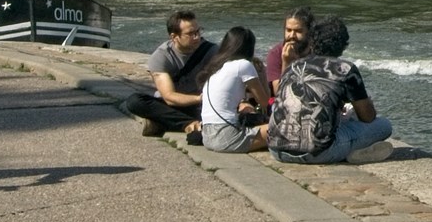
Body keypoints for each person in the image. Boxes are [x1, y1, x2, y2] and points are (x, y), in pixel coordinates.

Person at [267, 16, 393, 165]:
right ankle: (350, 153)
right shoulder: (345, 69)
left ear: (311, 42)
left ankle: (349, 151)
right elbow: (367, 117)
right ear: (343, 45)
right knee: (384, 126)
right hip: (318, 153)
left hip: (277, 150)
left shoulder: (293, 66)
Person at [125, 9, 222, 137]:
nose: (197, 37)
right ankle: (189, 124)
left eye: (198, 31)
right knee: (134, 101)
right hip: (175, 105)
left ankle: (161, 123)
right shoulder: (161, 56)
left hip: (202, 105)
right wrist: (200, 98)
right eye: (190, 34)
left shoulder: (212, 51)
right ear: (174, 37)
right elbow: (169, 97)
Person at [195, 25, 273, 153]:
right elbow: (265, 101)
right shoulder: (244, 65)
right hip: (227, 136)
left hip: (208, 136)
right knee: (284, 129)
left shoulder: (216, 68)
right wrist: (262, 73)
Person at [260, 8, 315, 86]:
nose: (292, 35)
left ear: (309, 32)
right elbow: (278, 93)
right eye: (288, 30)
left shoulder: (318, 51)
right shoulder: (276, 54)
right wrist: (286, 63)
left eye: (298, 31)